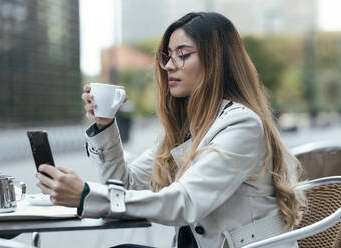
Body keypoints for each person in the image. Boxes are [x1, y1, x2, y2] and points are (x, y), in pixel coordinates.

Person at [36, 12, 304, 248]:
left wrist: (86, 196)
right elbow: (123, 185)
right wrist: (104, 124)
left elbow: (185, 202)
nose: (168, 65)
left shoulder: (241, 126)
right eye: (167, 56)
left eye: (183, 54)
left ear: (216, 61)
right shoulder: (189, 131)